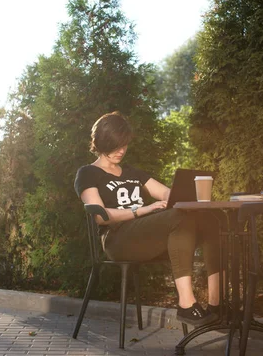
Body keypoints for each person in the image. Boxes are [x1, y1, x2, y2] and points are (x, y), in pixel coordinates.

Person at [74, 111, 223, 326]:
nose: (121, 150)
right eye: (115, 145)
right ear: (101, 142)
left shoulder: (132, 172)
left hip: (146, 237)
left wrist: (185, 196)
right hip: (118, 240)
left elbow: (166, 194)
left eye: (124, 144)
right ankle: (186, 304)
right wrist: (143, 210)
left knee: (211, 220)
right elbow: (100, 216)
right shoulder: (88, 173)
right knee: (177, 217)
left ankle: (216, 305)